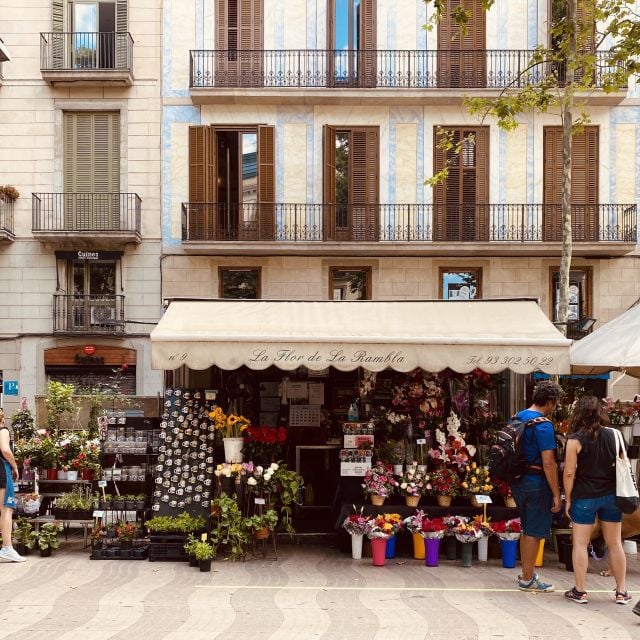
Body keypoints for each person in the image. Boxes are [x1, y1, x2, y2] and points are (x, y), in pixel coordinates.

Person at [562, 396, 630, 605]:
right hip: (611, 495)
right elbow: (623, 464)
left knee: (580, 544)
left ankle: (580, 591)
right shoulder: (616, 435)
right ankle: (621, 591)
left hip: (584, 496)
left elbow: (569, 473)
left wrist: (568, 499)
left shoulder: (574, 440)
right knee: (615, 543)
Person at [510, 380, 563, 593]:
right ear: (549, 401)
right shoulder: (543, 424)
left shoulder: (518, 416)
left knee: (526, 527)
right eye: (555, 403)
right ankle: (527, 579)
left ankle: (526, 572)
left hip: (517, 481)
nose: (555, 407)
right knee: (534, 531)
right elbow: (548, 462)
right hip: (536, 483)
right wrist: (557, 493)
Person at [0, 409, 26, 562]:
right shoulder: (3, 430)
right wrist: (15, 466)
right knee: (6, 510)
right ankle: (7, 548)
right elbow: (5, 449)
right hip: (2, 470)